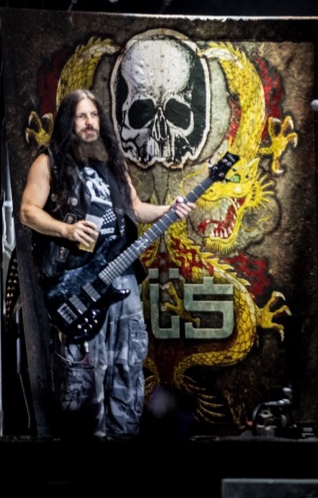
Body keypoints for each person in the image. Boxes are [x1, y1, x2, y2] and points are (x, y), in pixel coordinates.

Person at [17, 89, 192, 438]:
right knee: (87, 373)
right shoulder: (48, 161)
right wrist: (66, 229)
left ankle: (124, 444)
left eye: (94, 116)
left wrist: (170, 210)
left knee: (127, 367)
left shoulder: (111, 163)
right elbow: (27, 212)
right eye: (82, 116)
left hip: (122, 280)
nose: (89, 123)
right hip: (80, 282)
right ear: (69, 121)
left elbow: (135, 209)